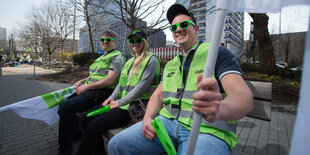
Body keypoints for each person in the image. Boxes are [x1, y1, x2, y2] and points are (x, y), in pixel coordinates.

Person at [108, 3, 253, 155]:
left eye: (184, 24)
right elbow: (158, 95)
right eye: (173, 27)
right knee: (116, 145)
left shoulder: (217, 53)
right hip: (167, 123)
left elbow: (243, 96)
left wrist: (221, 110)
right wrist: (147, 118)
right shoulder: (171, 64)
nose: (178, 29)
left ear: (196, 29)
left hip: (206, 130)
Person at [76, 29, 160, 155]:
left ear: (144, 42)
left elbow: (141, 87)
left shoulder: (151, 60)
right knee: (84, 118)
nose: (134, 43)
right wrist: (111, 98)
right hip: (120, 103)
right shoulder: (129, 61)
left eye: (138, 40)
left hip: (134, 107)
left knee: (94, 126)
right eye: (132, 40)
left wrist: (119, 102)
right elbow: (121, 84)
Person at [57, 30, 125, 154]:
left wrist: (86, 87)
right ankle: (77, 133)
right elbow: (94, 75)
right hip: (91, 90)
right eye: (102, 39)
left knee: (66, 107)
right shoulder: (102, 57)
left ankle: (65, 149)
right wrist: (82, 81)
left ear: (114, 42)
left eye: (108, 39)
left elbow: (110, 80)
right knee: (63, 104)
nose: (105, 42)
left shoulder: (117, 57)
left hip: (101, 94)